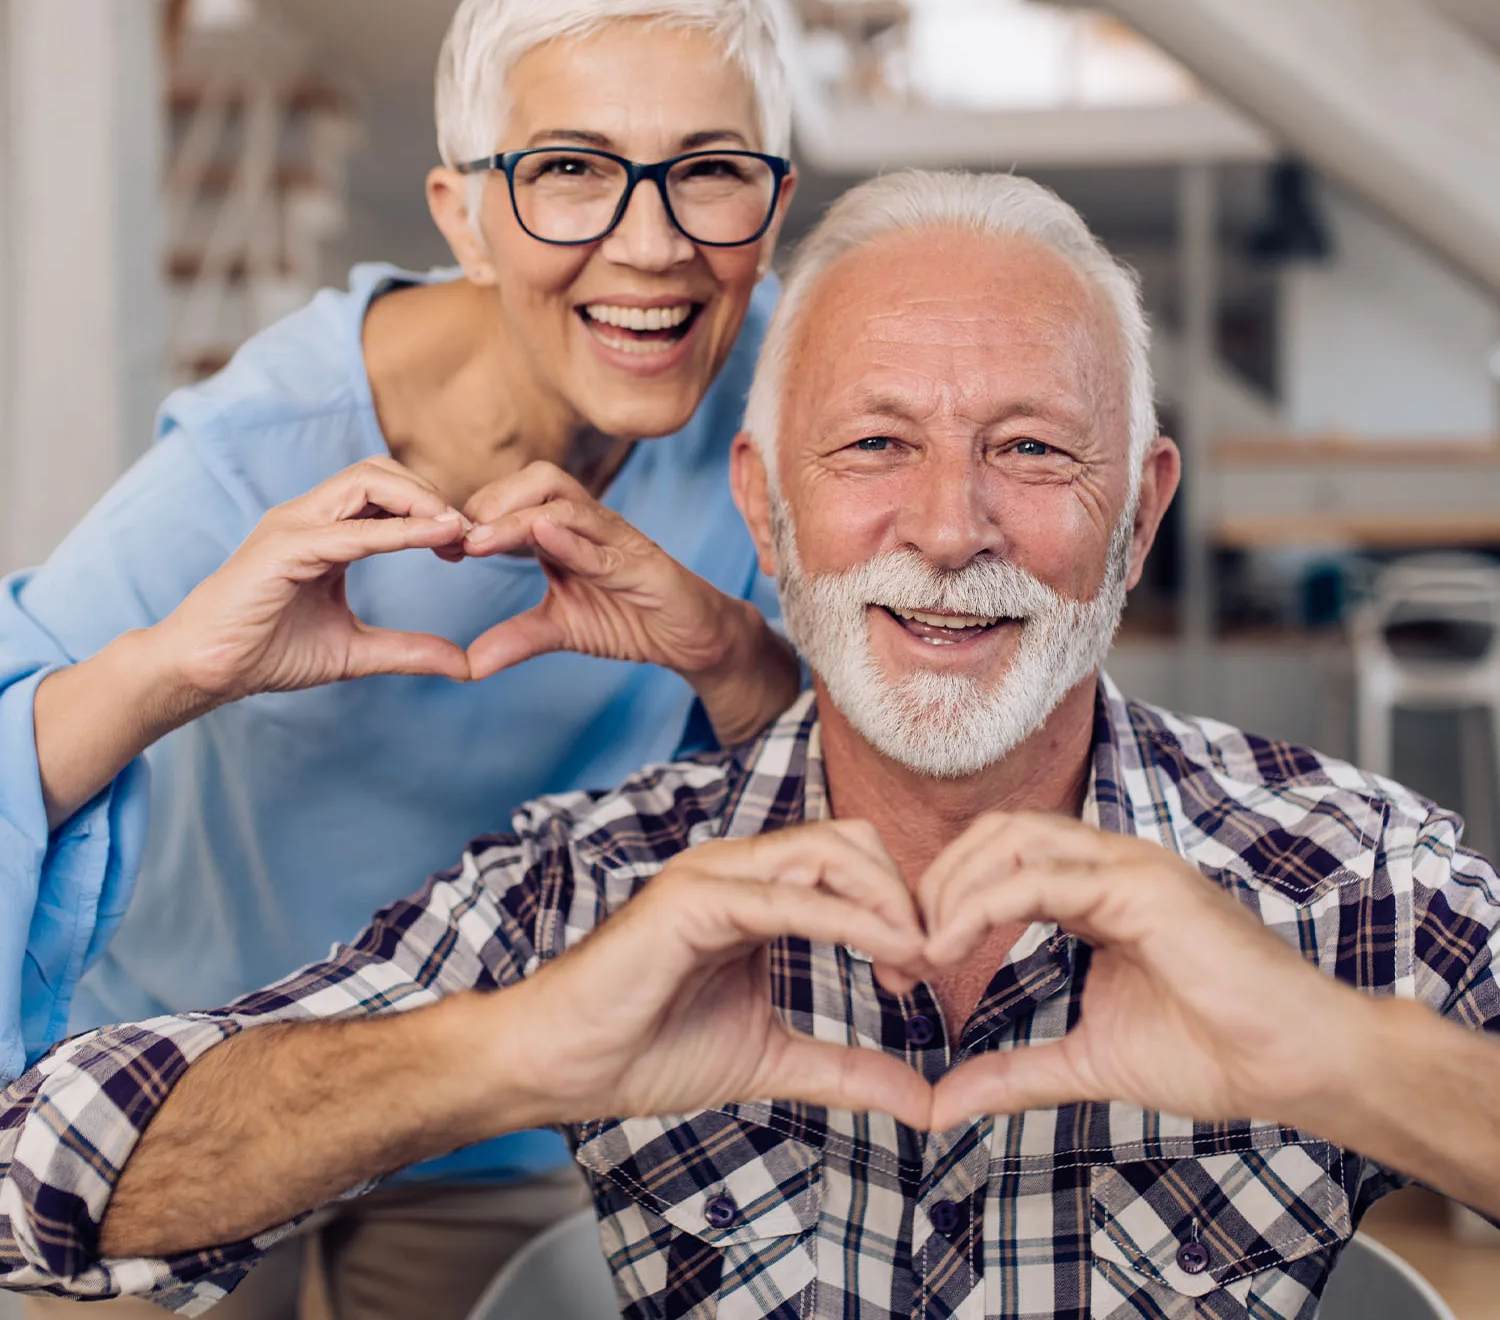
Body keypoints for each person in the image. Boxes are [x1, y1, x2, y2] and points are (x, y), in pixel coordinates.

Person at [5, 170, 1499, 1320]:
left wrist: (1353, 1061)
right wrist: (504, 1052)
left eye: (1034, 450)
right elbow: (44, 1167)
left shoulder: (1355, 878)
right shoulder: (599, 886)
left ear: (1143, 507)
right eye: (872, 446)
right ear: (765, 512)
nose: (947, 529)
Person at [0, 0, 803, 1318]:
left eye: (708, 174)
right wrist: (178, 668)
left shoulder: (789, 414)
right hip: (191, 1074)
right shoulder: (258, 449)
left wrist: (729, 652)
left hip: (503, 1105)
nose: (654, 244)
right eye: (570, 173)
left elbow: (877, 793)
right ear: (463, 217)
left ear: (769, 203)